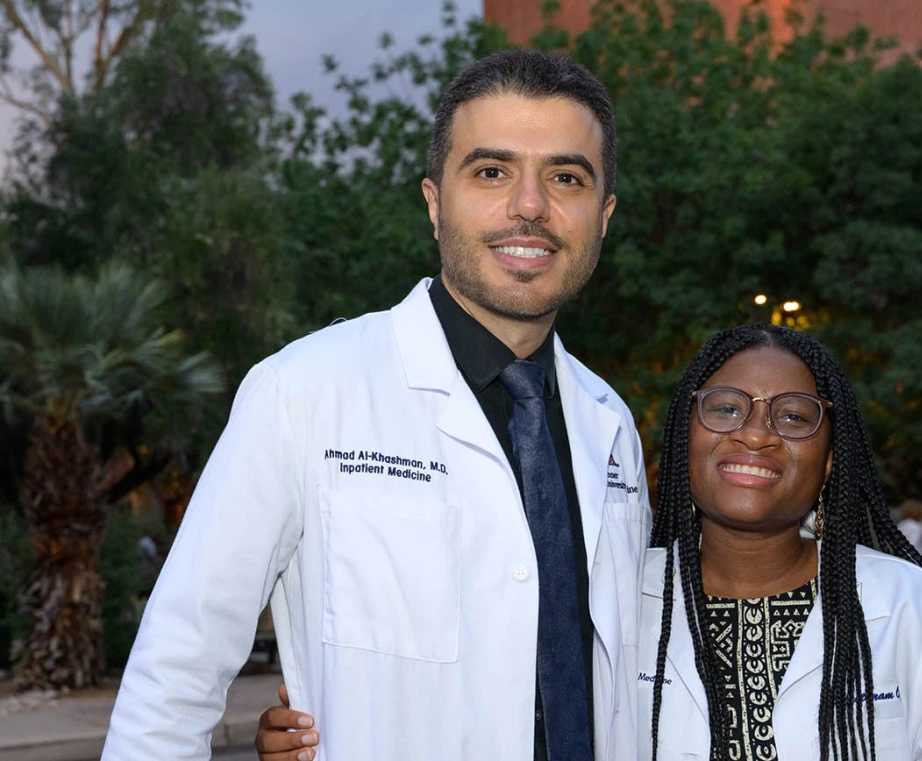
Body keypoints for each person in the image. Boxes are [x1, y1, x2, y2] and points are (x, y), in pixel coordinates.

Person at [102, 49, 650, 761]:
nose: (529, 206)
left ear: (602, 216)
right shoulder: (303, 391)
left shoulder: (610, 426)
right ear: (433, 201)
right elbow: (175, 671)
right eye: (492, 171)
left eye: (566, 177)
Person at [256, 324, 922, 761]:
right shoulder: (607, 595)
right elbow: (476, 712)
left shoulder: (912, 612)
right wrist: (320, 733)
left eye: (792, 415)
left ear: (831, 456)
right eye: (725, 406)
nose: (755, 430)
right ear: (683, 437)